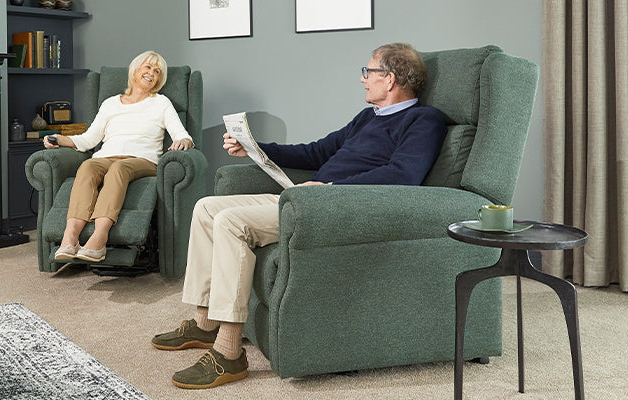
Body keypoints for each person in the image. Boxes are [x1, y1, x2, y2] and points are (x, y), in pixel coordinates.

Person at [151, 43, 447, 389]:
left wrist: (329, 187)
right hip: (309, 198)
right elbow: (318, 151)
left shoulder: (424, 120)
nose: (363, 80)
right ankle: (204, 323)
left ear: (391, 79)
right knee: (206, 208)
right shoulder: (369, 117)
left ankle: (229, 353)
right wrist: (255, 148)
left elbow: (403, 175)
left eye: (368, 72)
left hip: (334, 205)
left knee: (231, 222)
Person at [44, 50, 194, 263]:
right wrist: (58, 139)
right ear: (135, 70)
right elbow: (88, 140)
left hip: (143, 160)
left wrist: (183, 141)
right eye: (148, 67)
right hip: (106, 156)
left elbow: (183, 135)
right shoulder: (110, 103)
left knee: (119, 169)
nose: (152, 73)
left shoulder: (161, 103)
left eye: (158, 72)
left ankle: (99, 238)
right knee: (87, 166)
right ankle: (70, 238)